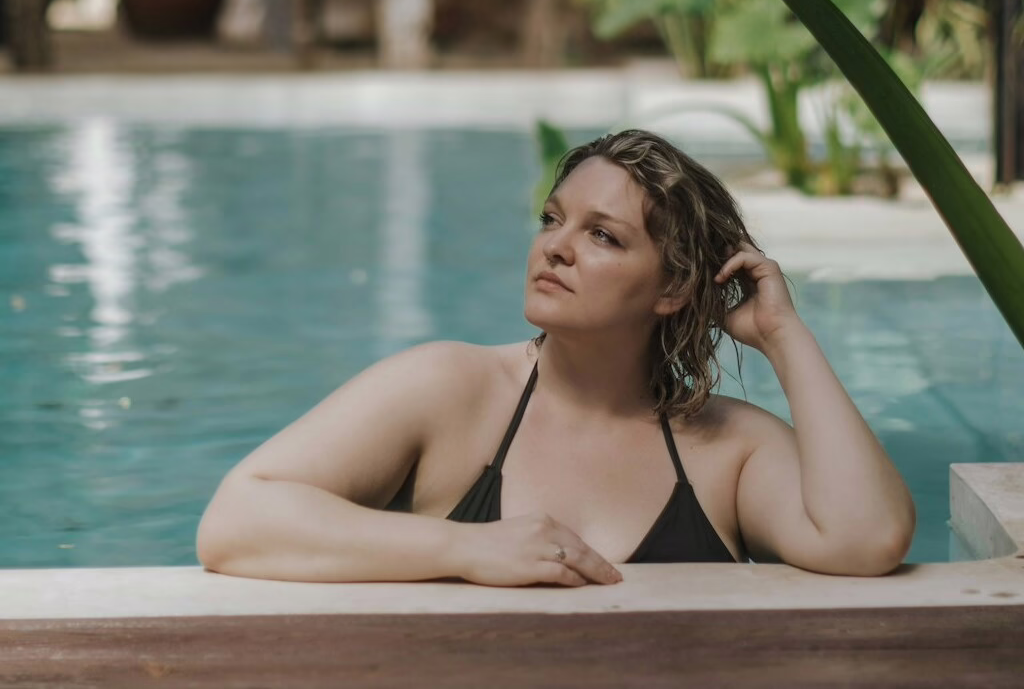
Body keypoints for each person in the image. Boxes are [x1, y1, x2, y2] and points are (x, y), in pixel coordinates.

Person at [196, 129, 916, 587]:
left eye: (603, 235)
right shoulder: (452, 389)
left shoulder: (726, 448)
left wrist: (786, 338)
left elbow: (866, 539)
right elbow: (236, 521)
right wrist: (464, 551)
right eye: (552, 218)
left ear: (672, 286)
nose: (555, 246)